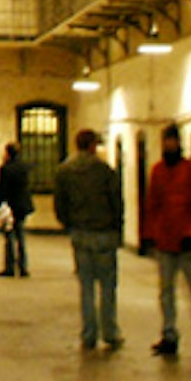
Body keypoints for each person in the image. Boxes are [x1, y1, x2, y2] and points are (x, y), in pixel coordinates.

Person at [143, 124, 191, 358]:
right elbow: (153, 203)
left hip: (188, 242)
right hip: (166, 240)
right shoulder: (158, 171)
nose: (169, 145)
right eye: (166, 141)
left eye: (172, 141)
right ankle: (169, 334)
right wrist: (151, 233)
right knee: (166, 291)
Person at [55, 128, 124, 350]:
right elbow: (116, 202)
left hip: (80, 232)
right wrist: (117, 228)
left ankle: (89, 333)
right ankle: (110, 332)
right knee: (107, 286)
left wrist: (69, 224)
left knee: (86, 286)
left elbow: (60, 204)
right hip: (104, 233)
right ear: (93, 145)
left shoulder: (65, 171)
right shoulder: (105, 171)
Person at [0, 142, 34, 278]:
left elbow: (1, 190)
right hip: (22, 206)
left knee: (9, 236)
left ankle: (10, 267)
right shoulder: (24, 167)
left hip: (9, 206)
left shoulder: (5, 169)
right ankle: (23, 267)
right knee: (21, 236)